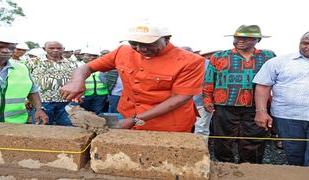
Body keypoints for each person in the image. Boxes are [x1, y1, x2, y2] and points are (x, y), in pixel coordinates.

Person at [60, 21, 205, 132]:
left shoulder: (190, 61)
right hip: (128, 116)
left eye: (148, 44)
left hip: (168, 123)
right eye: (134, 44)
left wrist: (136, 119)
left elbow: (180, 98)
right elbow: (87, 67)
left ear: (166, 39)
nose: (141, 49)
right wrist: (77, 81)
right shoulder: (122, 52)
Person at [203, 25, 276, 163]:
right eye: (237, 37)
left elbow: (273, 80)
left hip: (255, 106)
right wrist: (207, 99)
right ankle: (224, 167)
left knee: (254, 139)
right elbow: (209, 79)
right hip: (224, 105)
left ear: (257, 40)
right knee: (223, 139)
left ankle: (249, 169)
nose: (240, 41)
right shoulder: (219, 56)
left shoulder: (268, 57)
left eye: (246, 38)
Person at [253, 31, 309, 166]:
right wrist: (261, 111)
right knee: (294, 154)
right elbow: (263, 86)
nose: (308, 47)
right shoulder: (278, 62)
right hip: (288, 117)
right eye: (305, 43)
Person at [0, 27, 48, 124]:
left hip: (16, 126)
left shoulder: (22, 68)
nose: (5, 51)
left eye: (11, 48)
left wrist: (38, 109)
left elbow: (32, 91)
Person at [25, 41, 78, 126]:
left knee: (67, 127)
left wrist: (77, 98)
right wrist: (27, 98)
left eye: (59, 48)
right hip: (42, 102)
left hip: (65, 102)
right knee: (42, 127)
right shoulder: (33, 62)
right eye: (51, 48)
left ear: (63, 49)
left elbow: (76, 81)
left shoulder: (72, 63)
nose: (55, 50)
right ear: (44, 49)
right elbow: (26, 80)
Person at [79, 49, 109, 114]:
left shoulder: (103, 66)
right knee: (83, 114)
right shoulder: (77, 66)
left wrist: (108, 94)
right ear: (82, 56)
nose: (92, 57)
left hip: (100, 95)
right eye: (89, 55)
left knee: (97, 114)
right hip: (84, 95)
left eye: (94, 55)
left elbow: (108, 81)